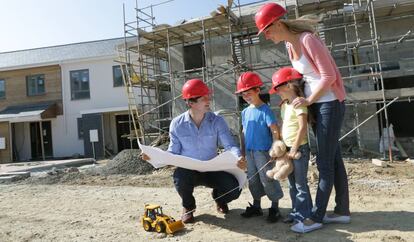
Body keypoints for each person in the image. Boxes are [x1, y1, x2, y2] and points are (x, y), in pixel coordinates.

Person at [255, 3, 350, 233]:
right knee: (334, 158)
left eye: (267, 30)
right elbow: (304, 79)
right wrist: (295, 99)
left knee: (325, 162)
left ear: (277, 23)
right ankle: (342, 211)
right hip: (315, 104)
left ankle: (316, 217)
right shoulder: (289, 45)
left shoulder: (308, 39)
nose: (266, 36)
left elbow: (328, 76)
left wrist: (308, 101)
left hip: (329, 103)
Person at [142, 78, 246, 224]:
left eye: (208, 96)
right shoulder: (177, 124)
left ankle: (219, 198)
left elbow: (230, 145)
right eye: (203, 98)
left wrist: (238, 158)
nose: (208, 100)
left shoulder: (217, 121)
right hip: (189, 171)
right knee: (180, 176)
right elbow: (173, 152)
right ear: (191, 102)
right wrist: (153, 156)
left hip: (212, 168)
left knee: (234, 188)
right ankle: (188, 207)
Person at [235, 72, 283, 223]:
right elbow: (243, 133)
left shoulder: (265, 110)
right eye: (243, 95)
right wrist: (242, 152)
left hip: (263, 151)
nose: (246, 97)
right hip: (249, 152)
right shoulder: (244, 112)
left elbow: (275, 130)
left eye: (248, 93)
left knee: (267, 179)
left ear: (257, 90)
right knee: (253, 179)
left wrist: (275, 150)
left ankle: (275, 208)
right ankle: (257, 207)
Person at [269, 67, 313, 226]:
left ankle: (304, 214)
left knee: (301, 184)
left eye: (278, 89)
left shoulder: (299, 104)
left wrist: (294, 148)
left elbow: (302, 127)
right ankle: (296, 211)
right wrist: (279, 146)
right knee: (292, 184)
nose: (278, 92)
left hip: (298, 150)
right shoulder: (284, 105)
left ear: (288, 85)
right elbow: (283, 126)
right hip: (287, 151)